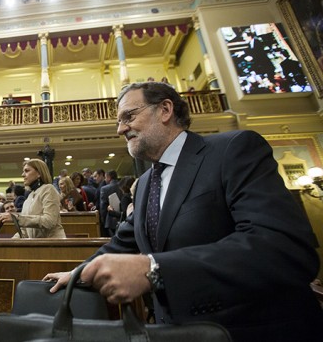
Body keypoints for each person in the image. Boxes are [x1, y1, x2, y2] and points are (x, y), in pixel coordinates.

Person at [43, 82, 323, 341]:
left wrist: (154, 270)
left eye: (129, 116)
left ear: (165, 109)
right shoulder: (144, 186)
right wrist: (79, 272)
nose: (120, 129)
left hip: (252, 331)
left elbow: (283, 247)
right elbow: (123, 243)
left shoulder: (232, 150)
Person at [0, 159, 66, 238]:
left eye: (27, 171)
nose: (22, 175)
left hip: (53, 245)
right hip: (36, 246)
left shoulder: (49, 189)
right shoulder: (29, 197)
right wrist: (8, 243)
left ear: (39, 173)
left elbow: (49, 221)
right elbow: (24, 231)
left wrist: (16, 218)